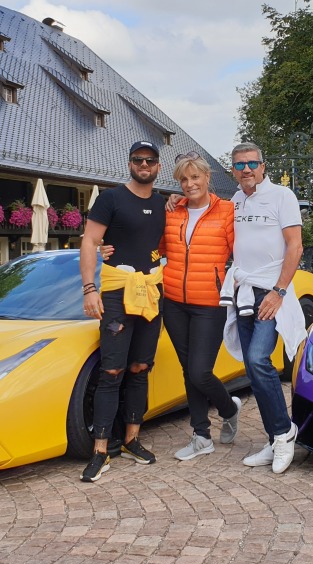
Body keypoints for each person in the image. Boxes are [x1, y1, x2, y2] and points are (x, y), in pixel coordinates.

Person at [102, 151, 242, 461]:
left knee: (199, 371)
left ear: (207, 178)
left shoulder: (227, 211)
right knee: (187, 370)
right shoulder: (173, 211)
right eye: (184, 179)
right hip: (175, 302)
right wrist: (107, 246)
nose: (190, 184)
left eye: (195, 177)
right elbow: (151, 247)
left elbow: (242, 253)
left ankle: (229, 408)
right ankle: (201, 435)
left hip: (210, 303)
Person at [77, 140, 168, 483]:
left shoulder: (162, 203)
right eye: (138, 159)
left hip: (151, 290)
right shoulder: (110, 199)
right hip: (116, 291)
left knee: (140, 368)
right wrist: (89, 288)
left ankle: (131, 439)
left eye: (150, 160)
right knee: (112, 370)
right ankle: (100, 450)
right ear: (129, 163)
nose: (144, 165)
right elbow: (90, 241)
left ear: (158, 166)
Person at [222, 141, 307, 474]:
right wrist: (176, 200)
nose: (246, 169)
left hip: (270, 291)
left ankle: (285, 432)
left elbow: (295, 246)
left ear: (263, 166)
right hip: (243, 291)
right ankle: (275, 438)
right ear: (233, 170)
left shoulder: (282, 196)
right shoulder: (234, 200)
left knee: (259, 359)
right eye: (239, 165)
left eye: (252, 163)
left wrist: (279, 291)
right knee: (251, 367)